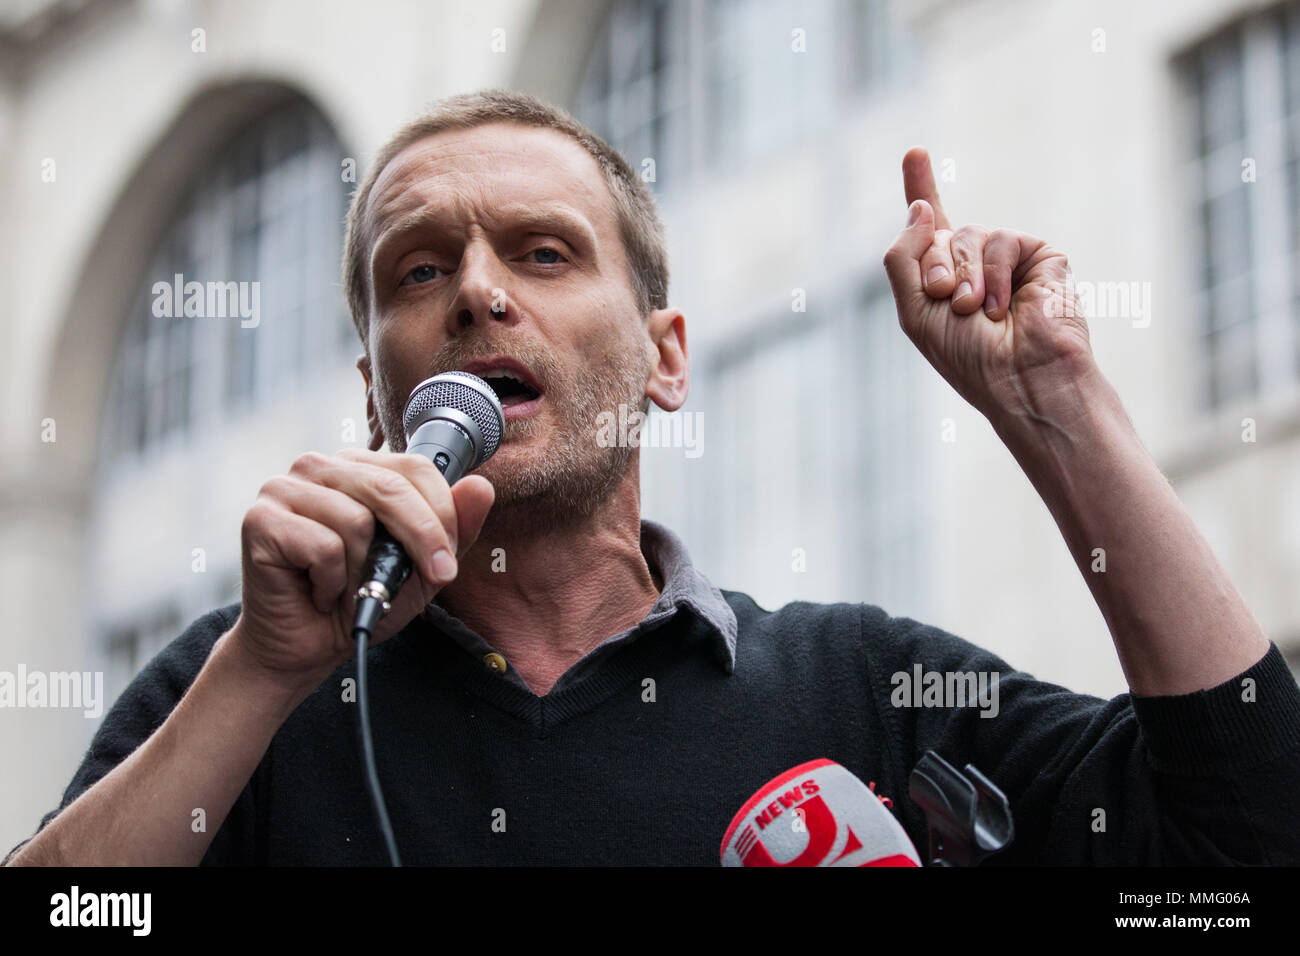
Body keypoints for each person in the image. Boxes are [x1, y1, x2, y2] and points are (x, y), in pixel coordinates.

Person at [7, 89, 1299, 866]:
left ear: (667, 358)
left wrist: (1058, 406)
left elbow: (1249, 846)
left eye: (546, 252)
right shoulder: (248, 690)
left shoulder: (867, 694)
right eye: (418, 270)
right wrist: (259, 673)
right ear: (373, 391)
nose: (476, 290)